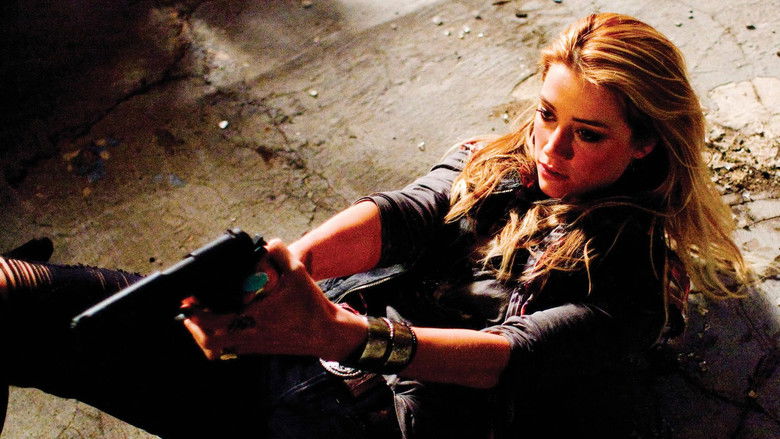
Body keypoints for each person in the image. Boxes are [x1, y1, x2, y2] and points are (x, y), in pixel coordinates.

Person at [0, 12, 753, 438]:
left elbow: (510, 357)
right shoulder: (498, 160)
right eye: (547, 115)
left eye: (587, 135)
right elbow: (407, 212)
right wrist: (286, 271)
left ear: (645, 143)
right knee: (11, 298)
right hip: (300, 354)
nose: (551, 148)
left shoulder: (642, 274)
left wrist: (339, 334)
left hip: (373, 423)